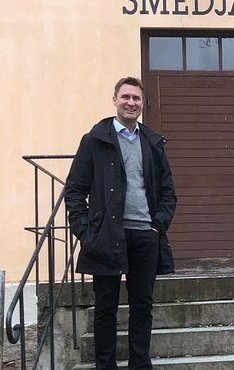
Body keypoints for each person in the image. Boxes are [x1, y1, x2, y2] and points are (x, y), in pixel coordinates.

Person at [65, 77, 176, 369]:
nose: (130, 103)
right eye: (125, 97)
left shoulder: (152, 142)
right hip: (106, 236)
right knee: (105, 309)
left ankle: (139, 364)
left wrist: (157, 225)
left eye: (136, 99)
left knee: (142, 307)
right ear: (114, 100)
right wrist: (86, 233)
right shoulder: (95, 140)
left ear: (142, 104)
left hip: (144, 235)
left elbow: (168, 192)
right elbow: (75, 190)